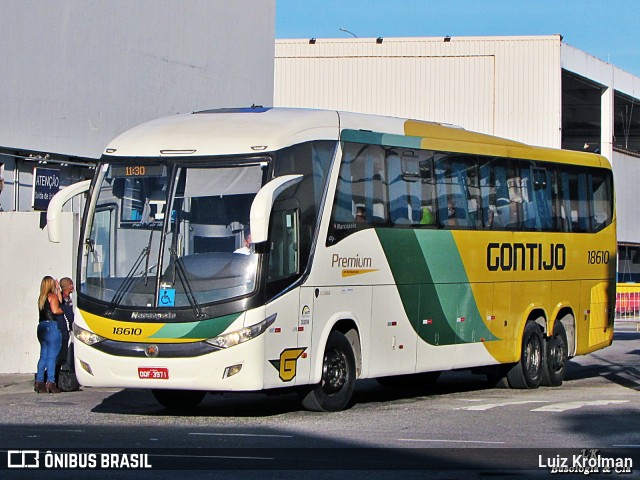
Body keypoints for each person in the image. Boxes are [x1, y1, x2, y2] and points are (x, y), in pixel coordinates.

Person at [35, 276, 63, 394]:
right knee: (52, 356)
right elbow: (56, 309)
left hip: (41, 326)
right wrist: (64, 311)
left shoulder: (42, 298)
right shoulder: (53, 296)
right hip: (51, 326)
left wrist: (57, 289)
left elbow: (59, 301)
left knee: (43, 356)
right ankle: (51, 382)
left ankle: (39, 382)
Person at [55, 277, 75, 384]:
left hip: (63, 328)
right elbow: (69, 315)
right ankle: (56, 378)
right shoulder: (64, 299)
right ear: (69, 286)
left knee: (60, 354)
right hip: (61, 329)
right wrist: (73, 324)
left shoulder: (65, 298)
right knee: (61, 354)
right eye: (72, 285)